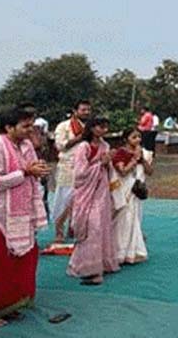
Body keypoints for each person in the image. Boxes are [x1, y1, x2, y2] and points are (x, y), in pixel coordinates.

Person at [0, 108, 50, 326]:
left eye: (31, 125)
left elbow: (31, 169)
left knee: (22, 260)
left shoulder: (26, 145)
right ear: (9, 128)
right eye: (25, 126)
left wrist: (37, 171)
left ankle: (11, 304)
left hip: (22, 211)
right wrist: (25, 173)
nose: (30, 130)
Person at [67, 116, 119, 285]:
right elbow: (80, 174)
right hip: (87, 193)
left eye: (105, 127)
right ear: (91, 128)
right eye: (100, 127)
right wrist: (100, 163)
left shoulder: (105, 146)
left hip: (101, 192)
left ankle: (102, 264)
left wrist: (107, 163)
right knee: (92, 228)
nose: (103, 130)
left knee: (102, 226)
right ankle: (89, 269)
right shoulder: (83, 147)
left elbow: (108, 169)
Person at [111, 128, 153, 265]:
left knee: (134, 219)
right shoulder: (120, 152)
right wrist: (134, 159)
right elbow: (122, 172)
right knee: (124, 218)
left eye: (139, 137)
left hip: (136, 191)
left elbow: (150, 172)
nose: (138, 140)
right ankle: (118, 252)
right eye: (134, 137)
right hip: (124, 190)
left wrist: (141, 159)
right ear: (126, 139)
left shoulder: (143, 153)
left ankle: (132, 251)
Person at [52, 100, 92, 241]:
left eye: (88, 110)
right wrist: (81, 137)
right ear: (75, 111)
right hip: (67, 167)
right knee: (64, 199)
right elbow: (60, 146)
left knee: (80, 200)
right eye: (83, 110)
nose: (86, 112)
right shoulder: (64, 126)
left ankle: (73, 227)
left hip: (85, 168)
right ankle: (58, 230)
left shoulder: (91, 127)